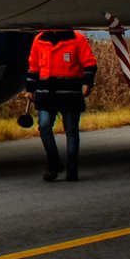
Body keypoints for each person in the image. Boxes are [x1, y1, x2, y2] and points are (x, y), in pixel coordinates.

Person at [25, 28, 96, 182]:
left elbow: (89, 63)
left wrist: (87, 83)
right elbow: (34, 66)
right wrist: (30, 89)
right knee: (44, 126)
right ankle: (54, 163)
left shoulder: (78, 39)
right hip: (46, 93)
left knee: (71, 131)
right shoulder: (39, 40)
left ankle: (72, 168)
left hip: (69, 94)